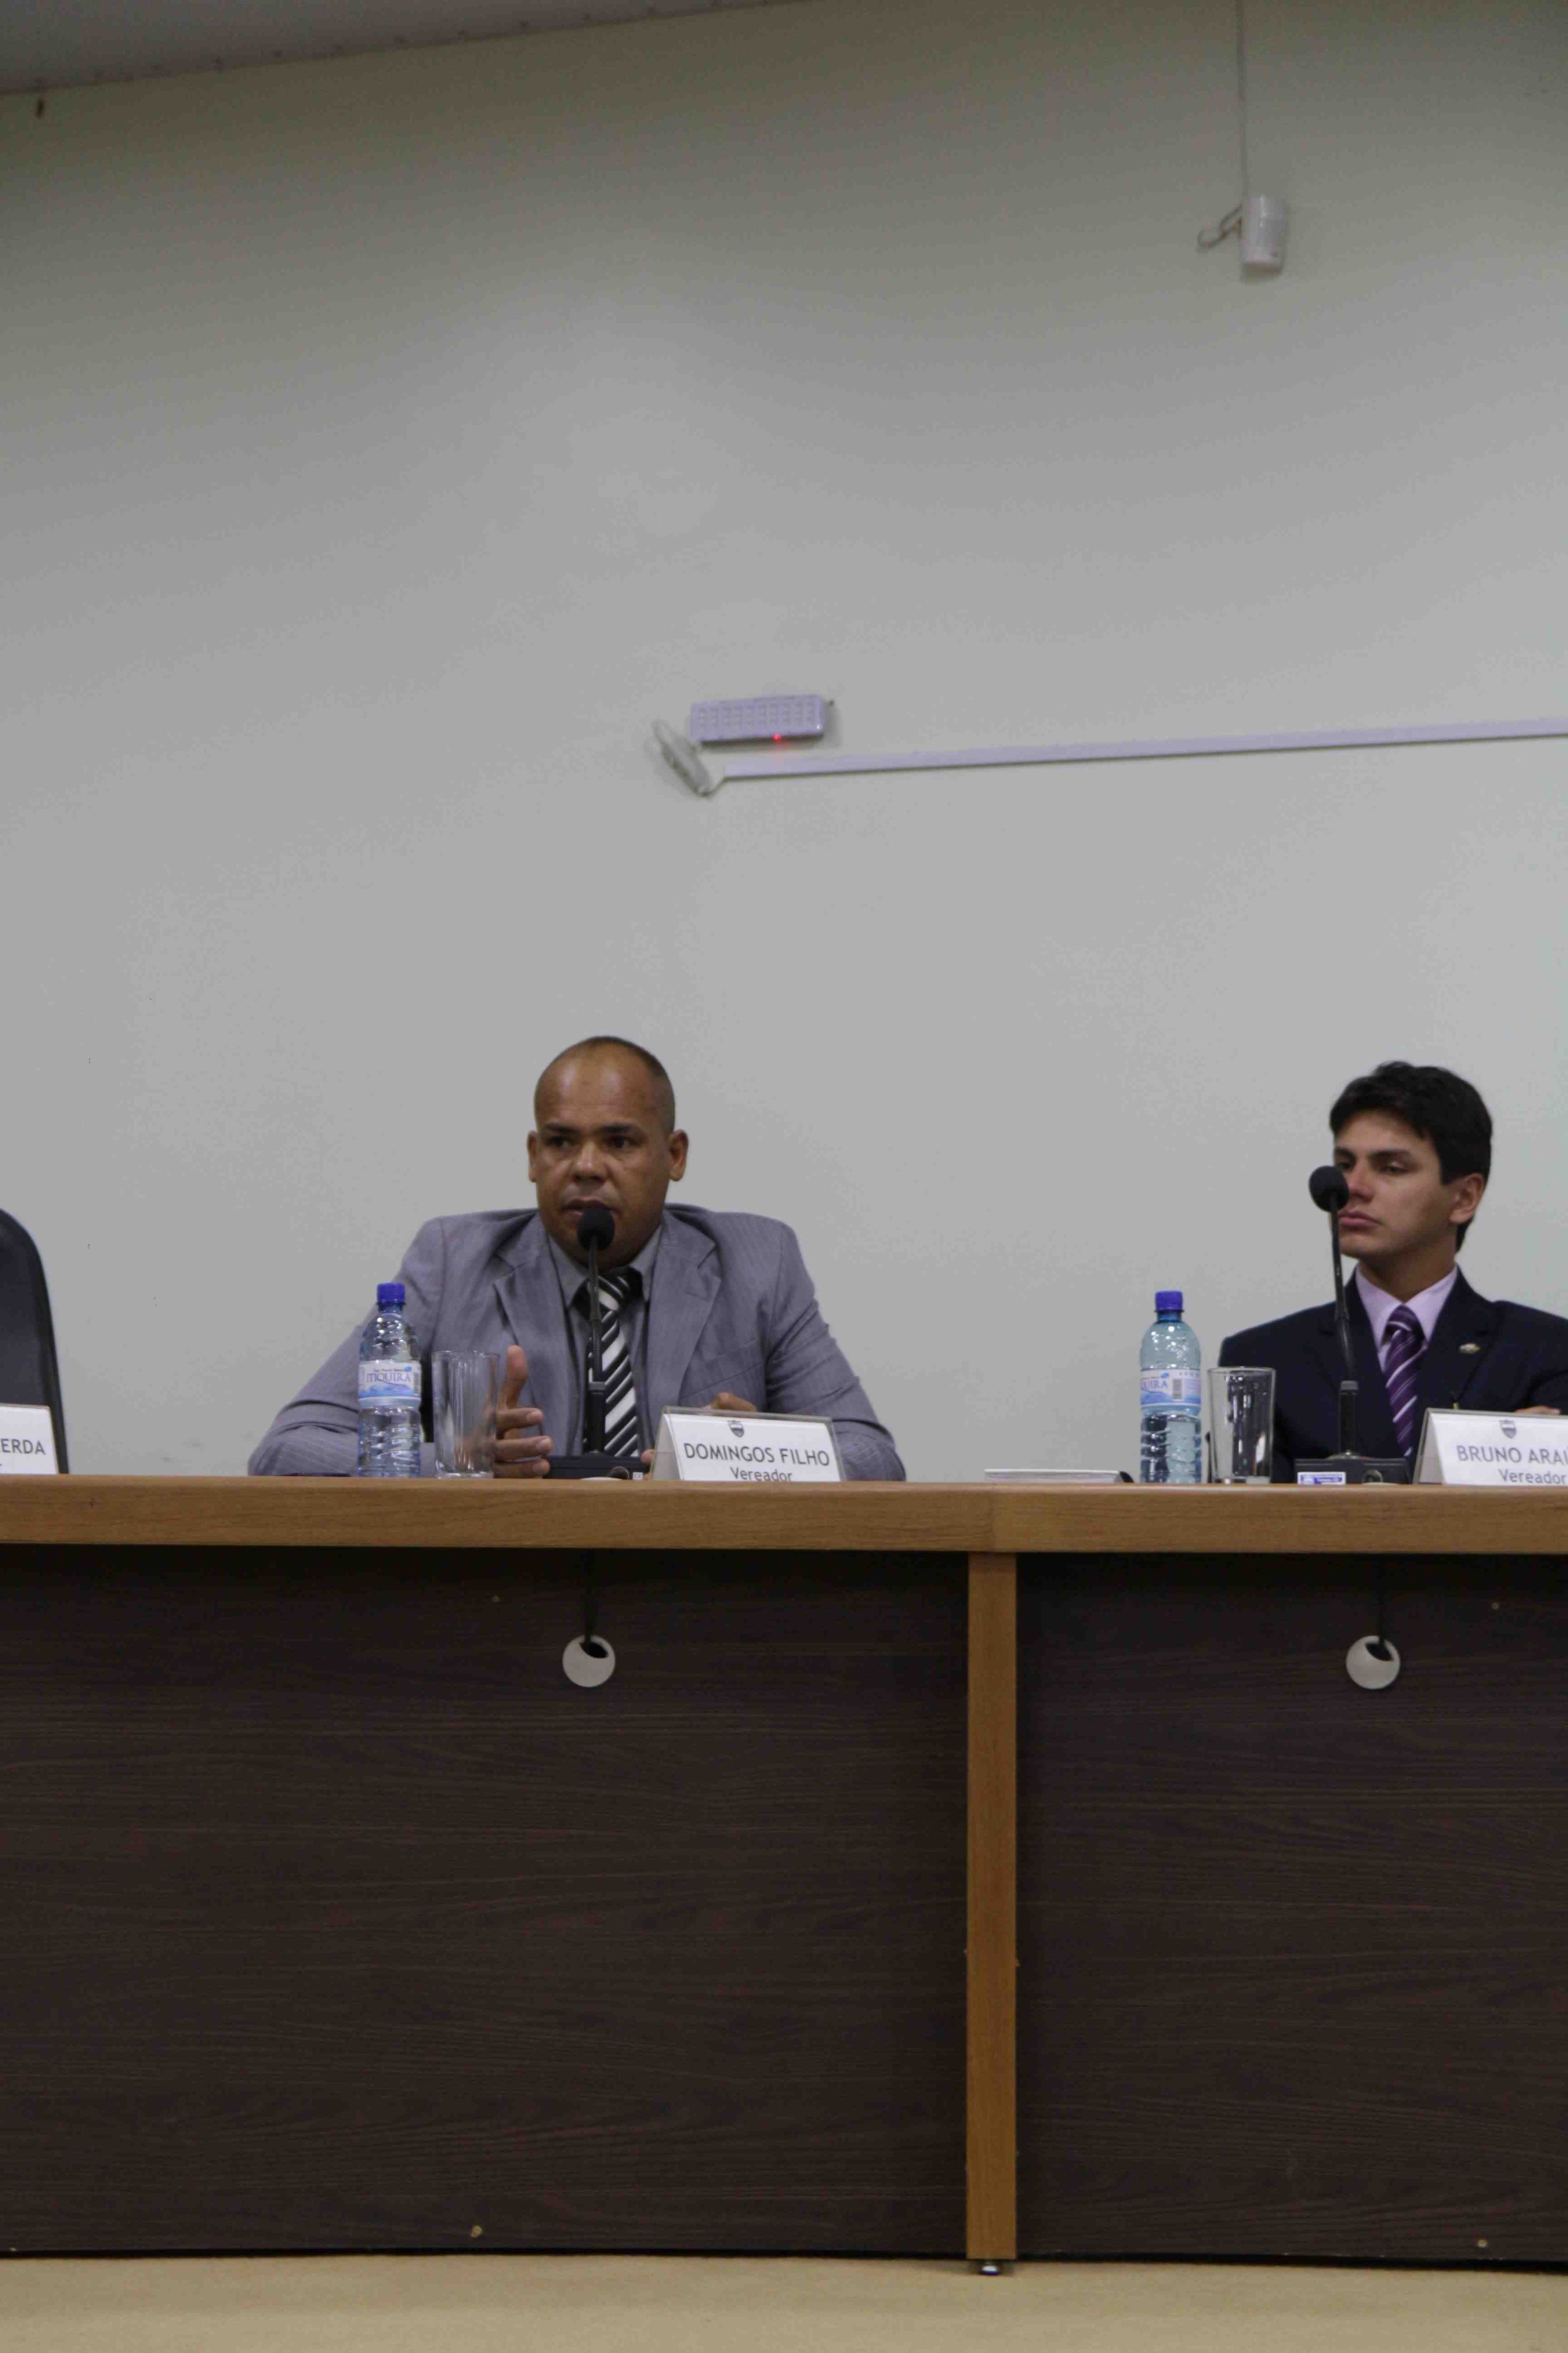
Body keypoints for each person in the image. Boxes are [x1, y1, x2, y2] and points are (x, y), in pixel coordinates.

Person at [249, 1036, 903, 1480]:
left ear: (674, 1155)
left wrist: (760, 1455)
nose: (586, 1167)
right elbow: (289, 1450)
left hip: (693, 1592)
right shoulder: (450, 1262)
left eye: (619, 1142)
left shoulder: (757, 1261)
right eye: (562, 1142)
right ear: (534, 1156)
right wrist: (458, 1461)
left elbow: (872, 1456)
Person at [1221, 1062, 1568, 1480]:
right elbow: (1244, 1517)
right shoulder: (1262, 1361)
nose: (1353, 1188)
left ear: (1463, 1198)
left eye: (1391, 1168)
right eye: (1344, 1165)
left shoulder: (1545, 1351)